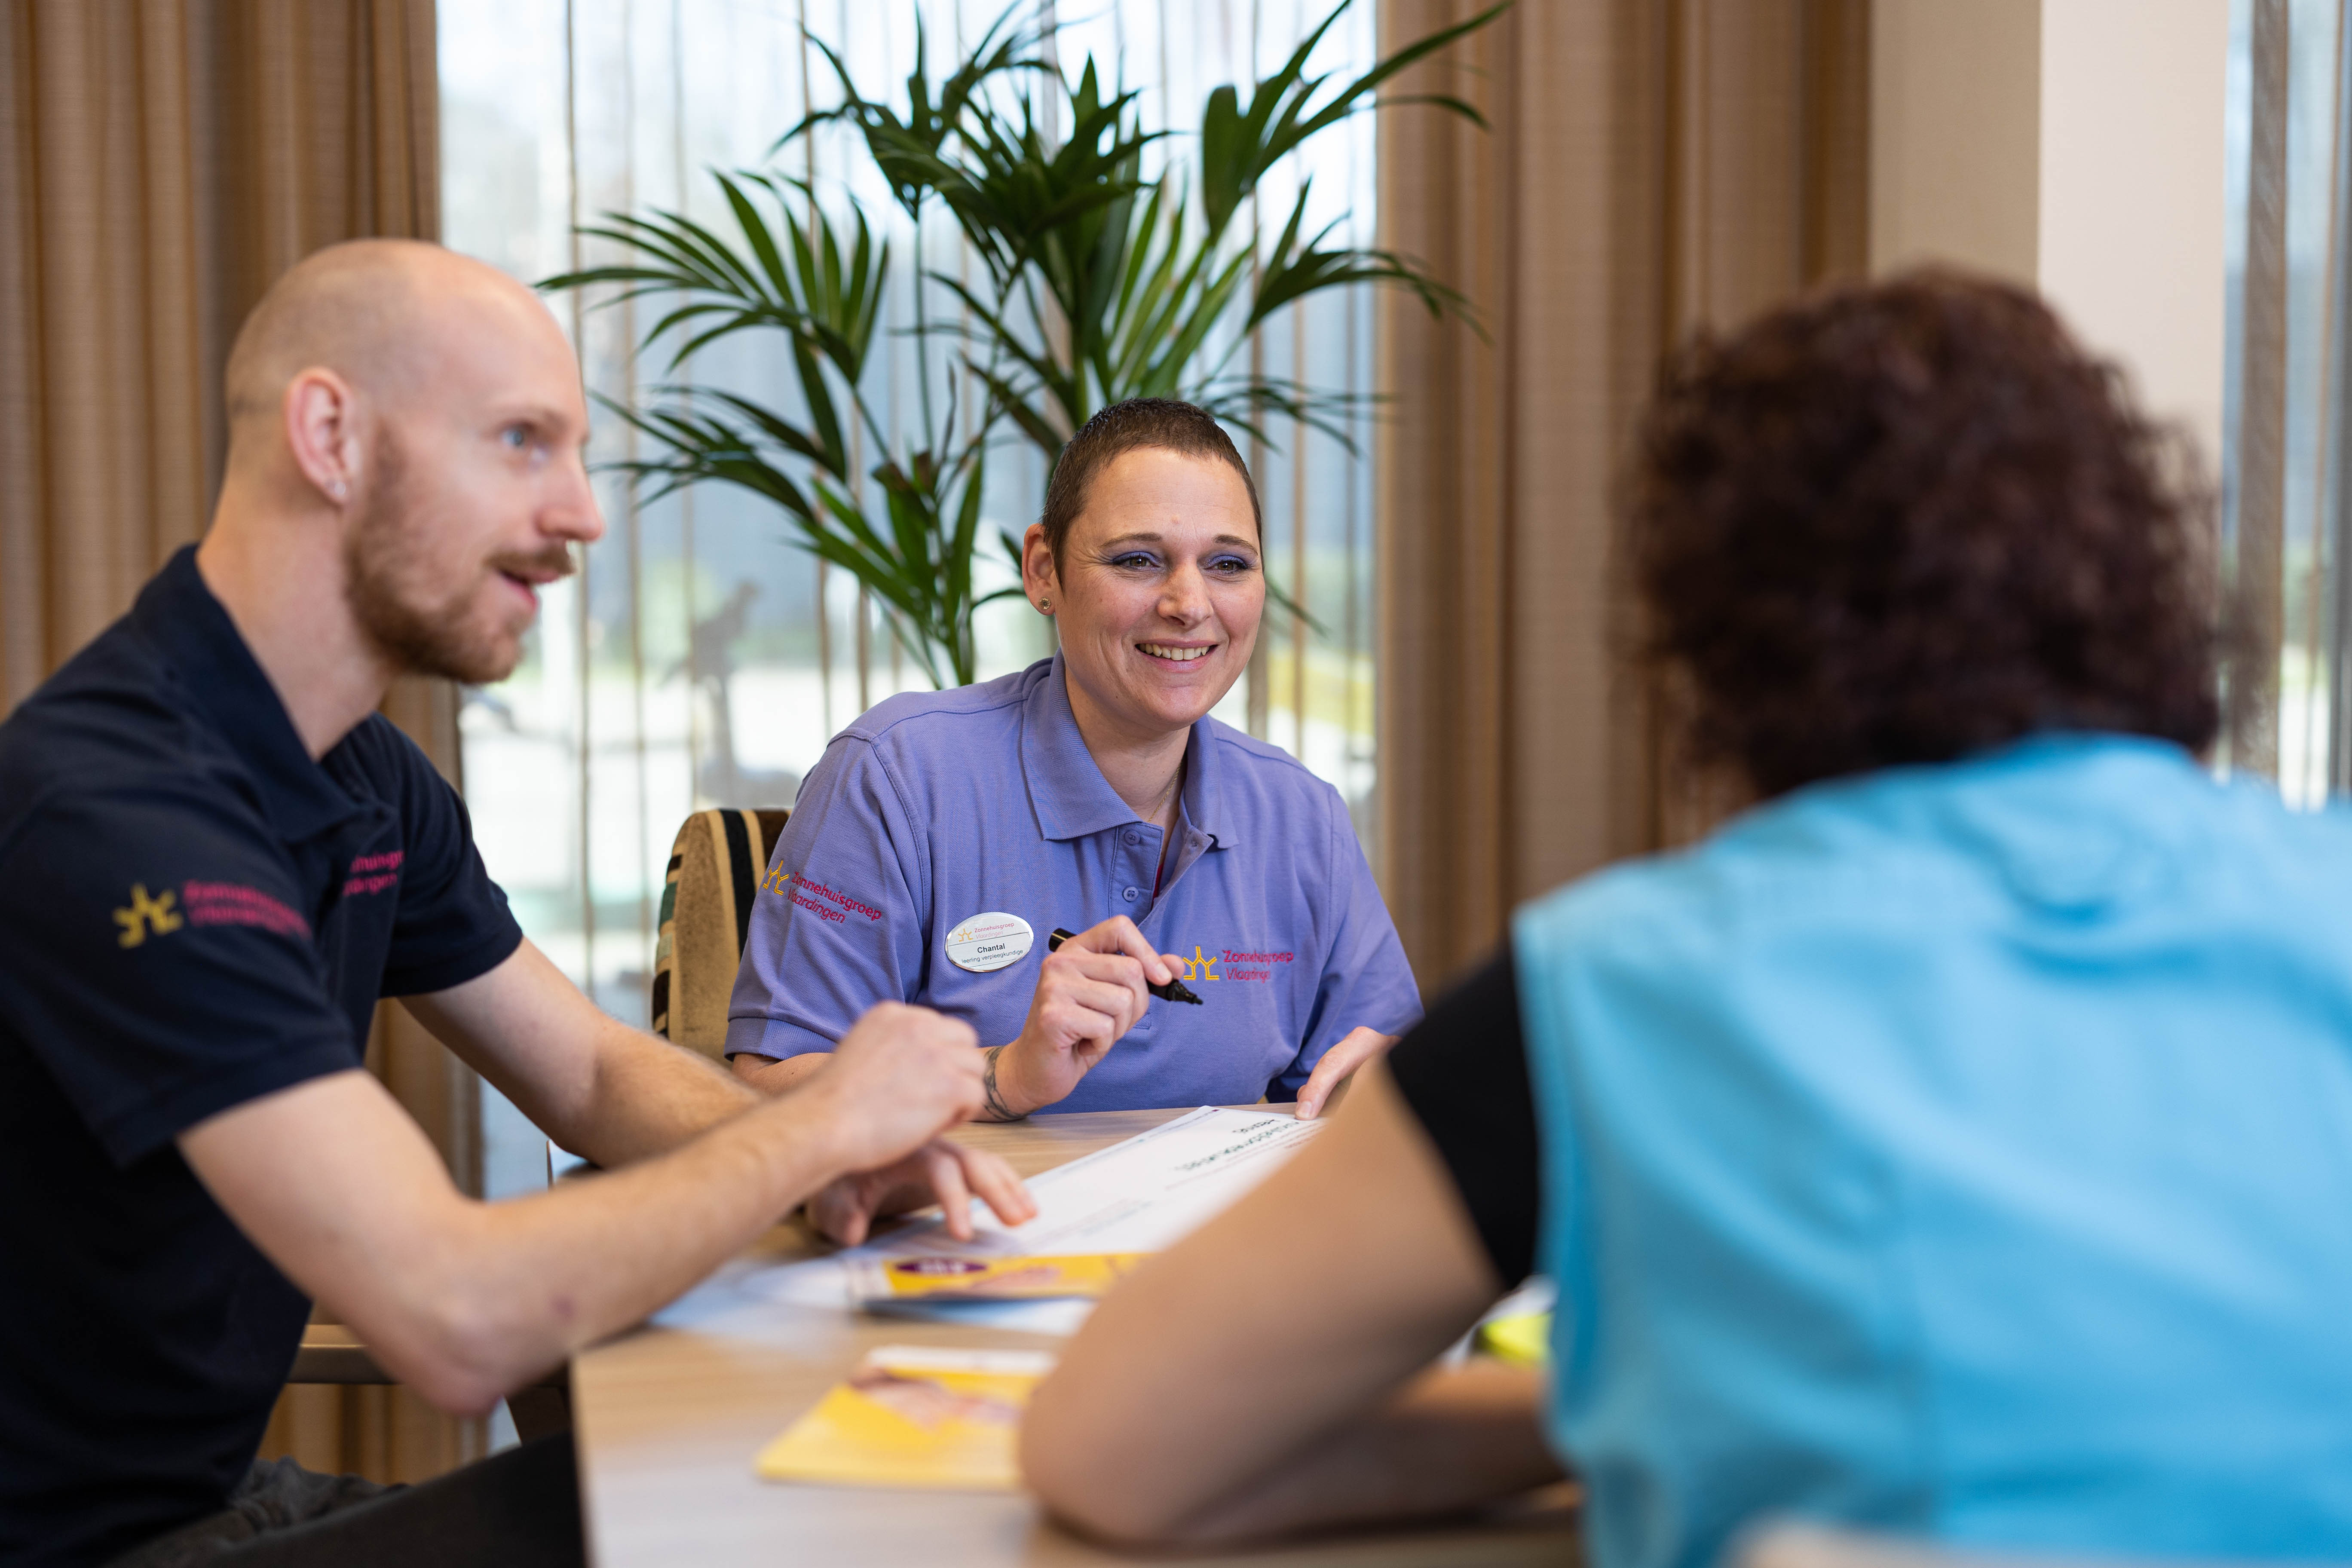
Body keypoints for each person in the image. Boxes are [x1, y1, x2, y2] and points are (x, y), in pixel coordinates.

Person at [1019, 275, 2352, 1563]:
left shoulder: (1617, 995)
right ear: (2141, 573)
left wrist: (1633, 1410)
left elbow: (1113, 1451)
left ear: (1716, 632)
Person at [0, 239, 1033, 1568]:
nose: (584, 515)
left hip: (211, 1506)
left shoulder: (365, 775)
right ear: (331, 436)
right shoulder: (114, 812)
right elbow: (453, 1316)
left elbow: (596, 1075)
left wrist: (837, 1157)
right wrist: (821, 1120)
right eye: (521, 443)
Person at [726, 399, 1420, 1124]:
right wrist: (1004, 1076)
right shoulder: (896, 776)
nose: (1189, 604)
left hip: (1228, 1234)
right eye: (1138, 560)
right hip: (971, 1235)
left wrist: (1387, 1090)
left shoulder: (1303, 815)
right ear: (1043, 571)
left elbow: (1368, 1069)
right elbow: (764, 1090)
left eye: (1227, 564)